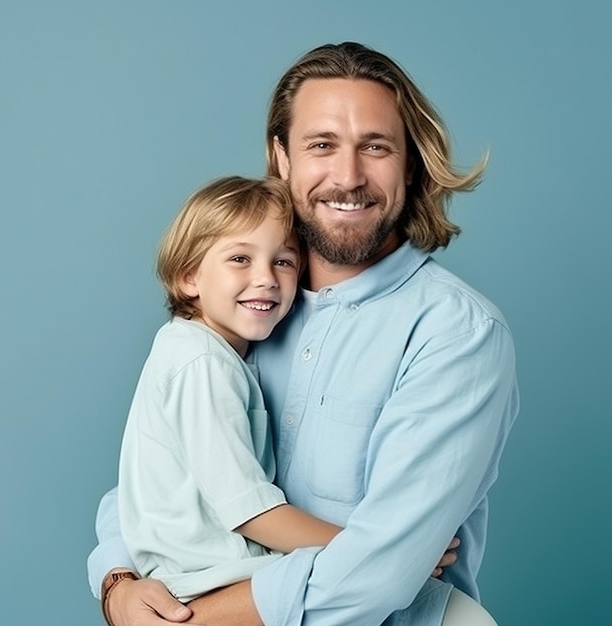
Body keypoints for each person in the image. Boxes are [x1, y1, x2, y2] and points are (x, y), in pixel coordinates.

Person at [88, 42, 519, 626]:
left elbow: (379, 575)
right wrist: (117, 584)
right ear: (282, 158)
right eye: (321, 145)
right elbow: (156, 471)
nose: (348, 176)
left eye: (376, 146)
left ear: (410, 163)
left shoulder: (456, 333)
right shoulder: (244, 314)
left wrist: (184, 622)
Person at [114, 176, 347, 624]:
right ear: (189, 277)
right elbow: (250, 510)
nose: (265, 278)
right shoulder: (202, 361)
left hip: (213, 578)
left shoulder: (204, 352)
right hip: (214, 584)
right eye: (240, 258)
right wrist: (370, 548)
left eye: (283, 261)